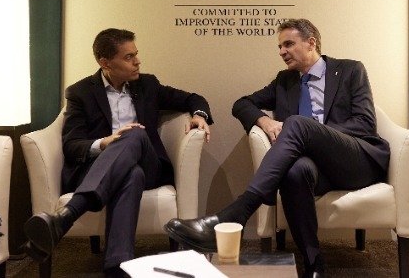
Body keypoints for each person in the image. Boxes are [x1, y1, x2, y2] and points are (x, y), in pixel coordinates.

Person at [165, 19, 389, 278]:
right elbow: (242, 104)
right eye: (280, 46)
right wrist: (265, 121)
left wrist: (315, 133)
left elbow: (365, 123)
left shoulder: (350, 70)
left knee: (297, 123)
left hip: (356, 161)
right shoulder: (285, 81)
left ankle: (239, 211)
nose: (282, 51)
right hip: (317, 170)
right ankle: (313, 264)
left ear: (311, 43)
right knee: (294, 172)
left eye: (288, 44)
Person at [23, 28, 213, 278]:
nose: (137, 62)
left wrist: (199, 115)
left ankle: (68, 215)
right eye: (128, 57)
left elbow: (193, 98)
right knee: (131, 175)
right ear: (105, 63)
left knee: (135, 134)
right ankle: (117, 267)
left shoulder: (148, 85)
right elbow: (72, 145)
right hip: (100, 168)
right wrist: (104, 143)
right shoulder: (80, 93)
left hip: (148, 165)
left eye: (136, 54)